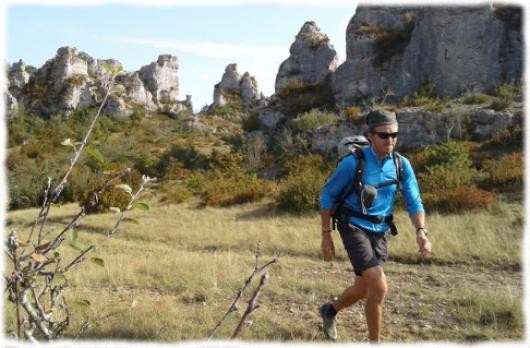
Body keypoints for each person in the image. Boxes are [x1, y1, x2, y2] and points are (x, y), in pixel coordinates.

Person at [318, 109, 432, 343]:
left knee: (364, 289)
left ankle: (330, 310)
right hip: (353, 226)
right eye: (384, 135)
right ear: (370, 135)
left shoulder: (402, 164)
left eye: (394, 135)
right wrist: (326, 235)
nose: (390, 140)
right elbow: (327, 197)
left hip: (380, 230)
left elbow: (414, 200)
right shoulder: (353, 164)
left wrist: (421, 231)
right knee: (379, 285)